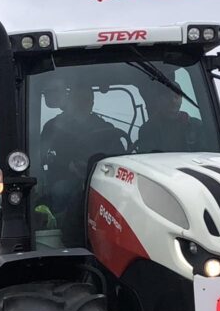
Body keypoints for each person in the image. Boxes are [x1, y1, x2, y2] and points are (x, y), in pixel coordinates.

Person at [40, 82, 126, 245]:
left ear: (92, 102)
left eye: (87, 99)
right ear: (70, 101)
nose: (83, 103)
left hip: (102, 179)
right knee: (60, 191)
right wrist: (69, 166)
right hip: (65, 178)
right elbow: (43, 158)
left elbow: (119, 156)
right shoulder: (52, 127)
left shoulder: (106, 128)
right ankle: (60, 235)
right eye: (78, 99)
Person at [137, 84, 201, 152]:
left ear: (181, 99)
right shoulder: (148, 129)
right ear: (159, 100)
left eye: (176, 96)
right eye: (168, 97)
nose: (173, 101)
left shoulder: (196, 125)